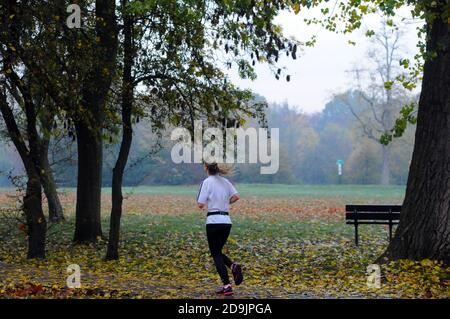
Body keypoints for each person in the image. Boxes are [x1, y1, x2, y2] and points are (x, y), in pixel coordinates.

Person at [197, 162, 243, 296]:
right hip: (226, 221)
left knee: (215, 253)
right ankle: (233, 266)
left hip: (213, 221)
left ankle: (227, 285)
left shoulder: (207, 182)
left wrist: (209, 203)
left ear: (206, 168)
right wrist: (225, 203)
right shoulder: (225, 181)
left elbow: (200, 204)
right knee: (217, 251)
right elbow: (236, 196)